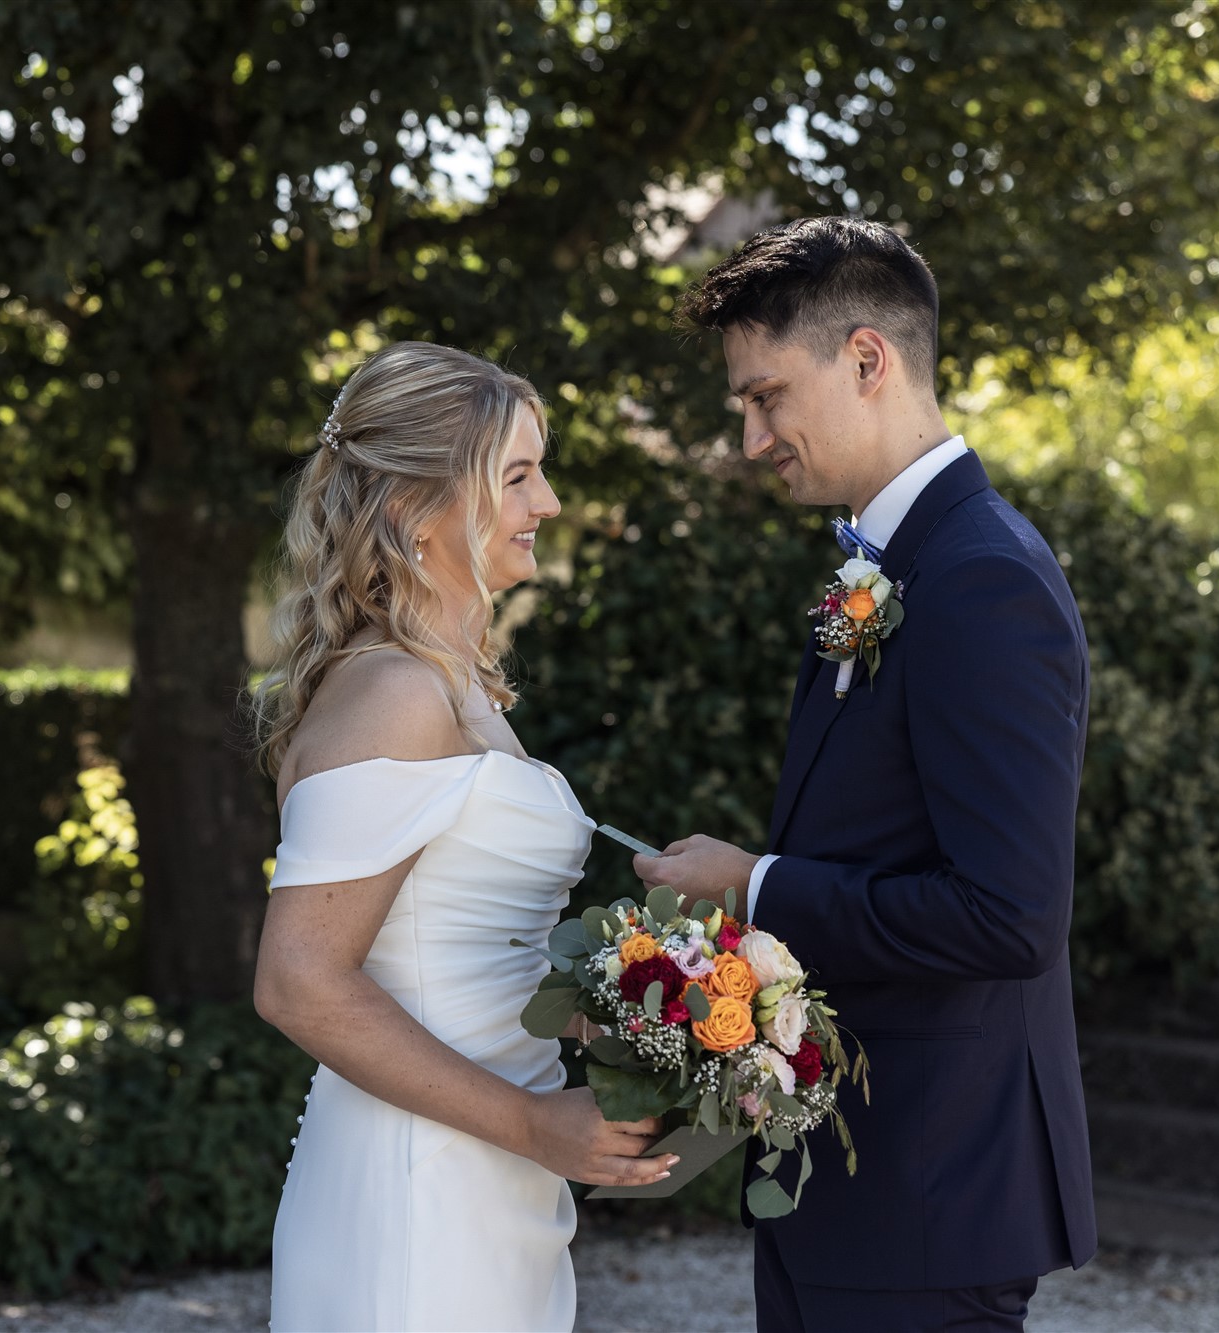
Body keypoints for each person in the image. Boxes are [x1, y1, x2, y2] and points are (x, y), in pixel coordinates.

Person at [632, 216, 1099, 1332]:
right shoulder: (885, 563)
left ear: (864, 359)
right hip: (846, 1177)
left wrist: (753, 884)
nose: (750, 438)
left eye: (764, 398)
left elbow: (1006, 916)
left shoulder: (981, 580)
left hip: (928, 1185)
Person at [251, 341, 669, 1332]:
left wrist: (592, 1016)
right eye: (516, 476)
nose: (549, 503)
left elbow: (446, 948)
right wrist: (528, 1119)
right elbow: (298, 980)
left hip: (490, 1174)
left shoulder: (457, 687)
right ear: (410, 508)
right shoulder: (393, 693)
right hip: (413, 1182)